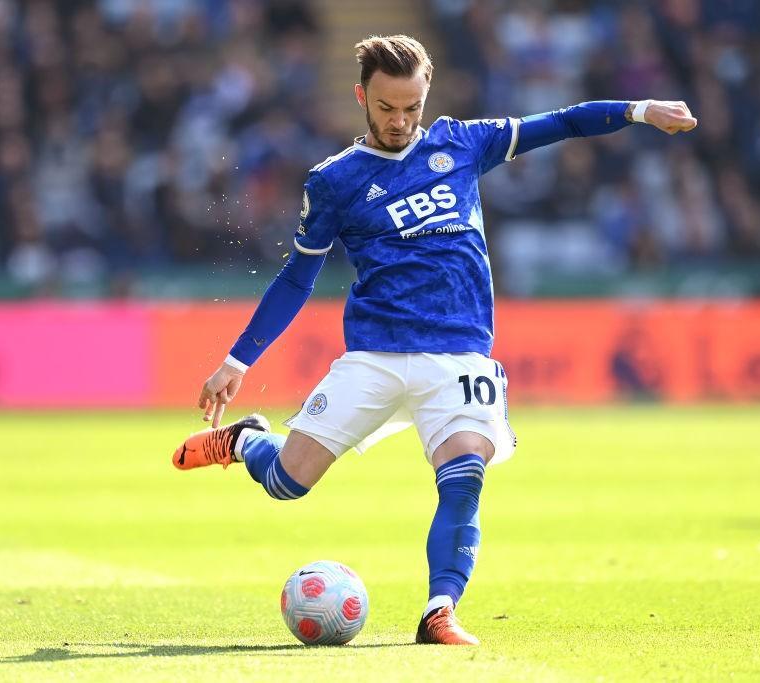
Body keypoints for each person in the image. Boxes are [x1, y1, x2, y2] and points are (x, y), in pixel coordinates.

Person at [171, 34, 697, 645]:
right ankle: (248, 441)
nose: (400, 121)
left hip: (460, 355)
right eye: (387, 108)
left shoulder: (462, 143)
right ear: (361, 97)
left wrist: (638, 111)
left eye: (412, 107)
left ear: (427, 97)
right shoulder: (334, 180)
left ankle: (439, 609)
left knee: (465, 472)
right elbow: (297, 277)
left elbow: (561, 123)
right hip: (375, 355)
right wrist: (238, 359)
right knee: (290, 482)